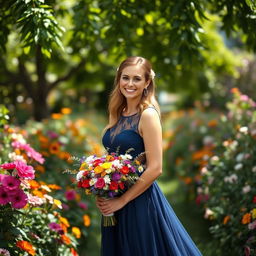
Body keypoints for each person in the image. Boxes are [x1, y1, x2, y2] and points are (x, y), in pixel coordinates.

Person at [96, 56, 202, 256]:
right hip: (113, 201)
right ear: (119, 80)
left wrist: (122, 200)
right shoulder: (117, 112)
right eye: (125, 78)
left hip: (138, 202)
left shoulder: (148, 115)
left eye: (137, 79)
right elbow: (111, 158)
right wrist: (101, 187)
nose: (129, 84)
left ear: (147, 83)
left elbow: (156, 168)